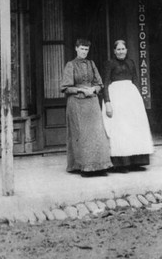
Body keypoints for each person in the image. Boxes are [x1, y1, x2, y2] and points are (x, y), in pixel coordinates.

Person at [61, 38, 112, 177]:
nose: (84, 52)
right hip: (77, 103)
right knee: (81, 135)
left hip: (92, 102)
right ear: (76, 49)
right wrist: (81, 90)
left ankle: (100, 166)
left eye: (86, 49)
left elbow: (100, 84)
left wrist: (93, 89)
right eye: (82, 49)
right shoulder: (70, 65)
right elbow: (65, 88)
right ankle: (83, 167)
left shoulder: (91, 64)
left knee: (97, 133)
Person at [102, 40, 154, 172]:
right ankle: (120, 164)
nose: (121, 52)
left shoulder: (131, 62)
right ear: (114, 51)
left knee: (134, 128)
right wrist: (107, 102)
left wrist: (139, 99)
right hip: (116, 97)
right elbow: (106, 83)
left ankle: (136, 162)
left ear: (126, 50)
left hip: (131, 98)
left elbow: (136, 80)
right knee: (120, 129)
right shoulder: (110, 63)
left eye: (123, 49)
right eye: (118, 49)